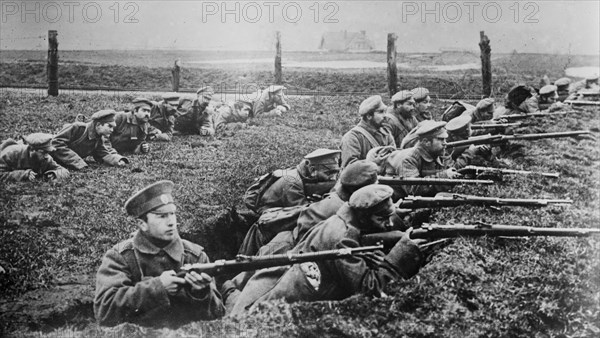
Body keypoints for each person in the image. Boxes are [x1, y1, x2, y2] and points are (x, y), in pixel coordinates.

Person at [225, 184, 425, 316]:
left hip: (278, 290)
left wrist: (397, 228)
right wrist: (402, 254)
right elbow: (370, 290)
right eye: (382, 218)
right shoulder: (340, 239)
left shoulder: (343, 221)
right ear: (363, 217)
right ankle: (227, 292)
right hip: (276, 313)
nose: (388, 224)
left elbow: (363, 238)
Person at [223, 160, 382, 296]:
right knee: (252, 289)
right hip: (284, 248)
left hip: (289, 245)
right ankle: (224, 292)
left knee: (251, 279)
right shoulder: (335, 207)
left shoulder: (338, 199)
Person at [94, 180, 225, 327]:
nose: (171, 222)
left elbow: (218, 315)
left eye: (172, 214)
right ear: (142, 224)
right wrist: (158, 288)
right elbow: (104, 311)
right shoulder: (121, 257)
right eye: (162, 216)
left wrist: (201, 294)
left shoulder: (194, 256)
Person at [238, 149, 342, 255]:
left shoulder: (300, 174)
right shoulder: (293, 182)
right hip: (266, 224)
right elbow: (303, 217)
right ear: (312, 169)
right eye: (328, 173)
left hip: (276, 216)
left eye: (336, 172)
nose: (333, 178)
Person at [380, 121, 462, 198]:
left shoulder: (438, 153)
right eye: (440, 139)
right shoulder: (409, 159)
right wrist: (444, 176)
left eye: (445, 139)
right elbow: (413, 189)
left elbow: (451, 169)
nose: (445, 143)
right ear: (426, 142)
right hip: (398, 203)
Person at [51, 110, 128, 170]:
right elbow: (56, 143)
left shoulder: (98, 137)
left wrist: (118, 160)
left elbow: (103, 154)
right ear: (98, 125)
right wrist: (78, 163)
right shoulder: (78, 128)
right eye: (109, 126)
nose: (112, 130)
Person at [340, 95, 396, 168]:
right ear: (369, 116)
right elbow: (350, 169)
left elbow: (394, 156)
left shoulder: (385, 133)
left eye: (385, 112)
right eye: (381, 112)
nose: (385, 116)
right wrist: (372, 163)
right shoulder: (352, 137)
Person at [1, 133, 69, 182]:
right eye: (43, 152)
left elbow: (63, 171)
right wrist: (24, 174)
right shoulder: (11, 154)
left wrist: (54, 174)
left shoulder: (46, 158)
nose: (46, 156)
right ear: (32, 150)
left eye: (47, 152)